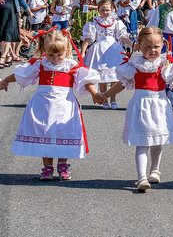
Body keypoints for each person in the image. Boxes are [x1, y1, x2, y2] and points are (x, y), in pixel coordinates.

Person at [101, 27, 173, 192]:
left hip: (159, 105)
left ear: (162, 46)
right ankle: (141, 177)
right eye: (147, 47)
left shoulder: (165, 65)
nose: (152, 50)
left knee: (158, 140)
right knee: (142, 142)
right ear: (139, 46)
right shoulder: (135, 65)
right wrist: (106, 94)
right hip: (140, 105)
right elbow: (122, 84)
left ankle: (155, 170)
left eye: (156, 47)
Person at [0, 29, 103, 180]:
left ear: (67, 51)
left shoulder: (70, 65)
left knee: (63, 132)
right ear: (45, 51)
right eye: (51, 55)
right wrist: (5, 81)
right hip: (43, 105)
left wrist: (95, 94)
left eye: (59, 55)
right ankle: (47, 167)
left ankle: (63, 164)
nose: (55, 59)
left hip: (64, 105)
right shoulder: (40, 64)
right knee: (45, 132)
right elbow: (21, 75)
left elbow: (85, 80)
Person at [81, 0, 132, 110]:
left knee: (114, 75)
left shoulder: (117, 22)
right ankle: (103, 98)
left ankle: (113, 99)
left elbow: (122, 36)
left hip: (113, 49)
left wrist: (132, 45)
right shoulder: (94, 23)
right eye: (103, 10)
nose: (105, 12)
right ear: (98, 10)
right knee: (102, 76)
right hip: (99, 49)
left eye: (108, 10)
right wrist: (83, 51)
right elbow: (88, 39)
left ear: (112, 9)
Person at [0, 0, 30, 67]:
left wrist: (28, 10)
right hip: (1, 14)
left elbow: (21, 0)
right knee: (2, 35)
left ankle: (3, 56)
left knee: (8, 34)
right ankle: (9, 55)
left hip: (12, 14)